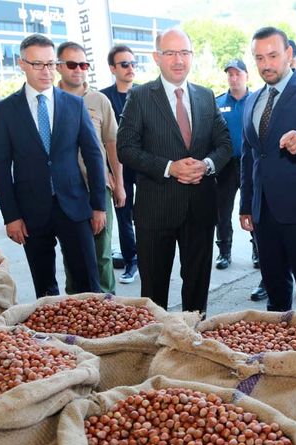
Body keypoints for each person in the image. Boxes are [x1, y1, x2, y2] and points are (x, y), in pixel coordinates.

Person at [116, 29, 232, 313]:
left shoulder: (205, 96)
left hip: (200, 208)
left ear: (191, 56)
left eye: (184, 53)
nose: (178, 60)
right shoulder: (140, 96)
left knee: (197, 287)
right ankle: (155, 347)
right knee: (154, 292)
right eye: (170, 53)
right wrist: (169, 168)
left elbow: (225, 144)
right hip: (156, 210)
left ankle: (193, 345)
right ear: (157, 57)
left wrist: (206, 165)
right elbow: (125, 148)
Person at [0, 34, 107, 298]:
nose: (46, 71)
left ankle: (96, 338)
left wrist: (99, 205)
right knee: (45, 289)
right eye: (38, 64)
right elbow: (0, 166)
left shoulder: (74, 104)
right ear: (22, 64)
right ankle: (53, 338)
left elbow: (93, 156)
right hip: (31, 212)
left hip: (75, 207)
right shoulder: (6, 110)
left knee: (89, 283)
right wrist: (11, 216)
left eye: (51, 64)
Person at [240, 27, 296, 316]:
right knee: (275, 289)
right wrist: (246, 206)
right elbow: (249, 156)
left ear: (289, 55)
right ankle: (277, 353)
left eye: (273, 55)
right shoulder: (252, 99)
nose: (266, 64)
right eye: (259, 58)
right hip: (263, 213)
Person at [56, 41, 126, 295]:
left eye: (83, 65)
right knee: (72, 254)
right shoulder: (50, 101)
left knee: (102, 254)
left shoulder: (99, 100)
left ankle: (108, 307)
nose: (79, 70)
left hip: (97, 189)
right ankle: (76, 309)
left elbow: (112, 143)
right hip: (64, 193)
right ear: (59, 66)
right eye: (72, 64)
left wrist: (118, 184)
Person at [100, 45, 139, 284]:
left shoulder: (146, 93)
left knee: (145, 217)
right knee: (123, 216)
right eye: (124, 64)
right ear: (113, 68)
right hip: (118, 167)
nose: (130, 68)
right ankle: (131, 261)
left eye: (133, 63)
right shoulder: (103, 97)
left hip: (145, 168)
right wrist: (112, 174)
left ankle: (146, 257)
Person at [214, 58, 251, 271]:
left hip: (250, 165)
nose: (234, 78)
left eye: (238, 74)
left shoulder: (257, 99)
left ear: (246, 76)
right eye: (230, 74)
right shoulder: (218, 103)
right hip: (226, 165)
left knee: (253, 208)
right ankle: (224, 252)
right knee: (223, 211)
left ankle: (257, 249)